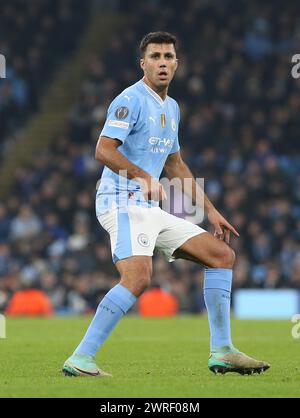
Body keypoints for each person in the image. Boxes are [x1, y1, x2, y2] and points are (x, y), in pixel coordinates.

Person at [63, 31, 270, 377]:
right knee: (138, 277)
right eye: (155, 56)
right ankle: (81, 359)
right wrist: (142, 175)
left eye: (168, 57)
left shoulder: (172, 108)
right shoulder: (129, 99)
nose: (162, 63)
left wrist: (212, 211)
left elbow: (175, 165)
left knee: (221, 256)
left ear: (177, 64)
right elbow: (103, 149)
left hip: (148, 207)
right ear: (143, 63)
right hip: (120, 200)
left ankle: (222, 351)